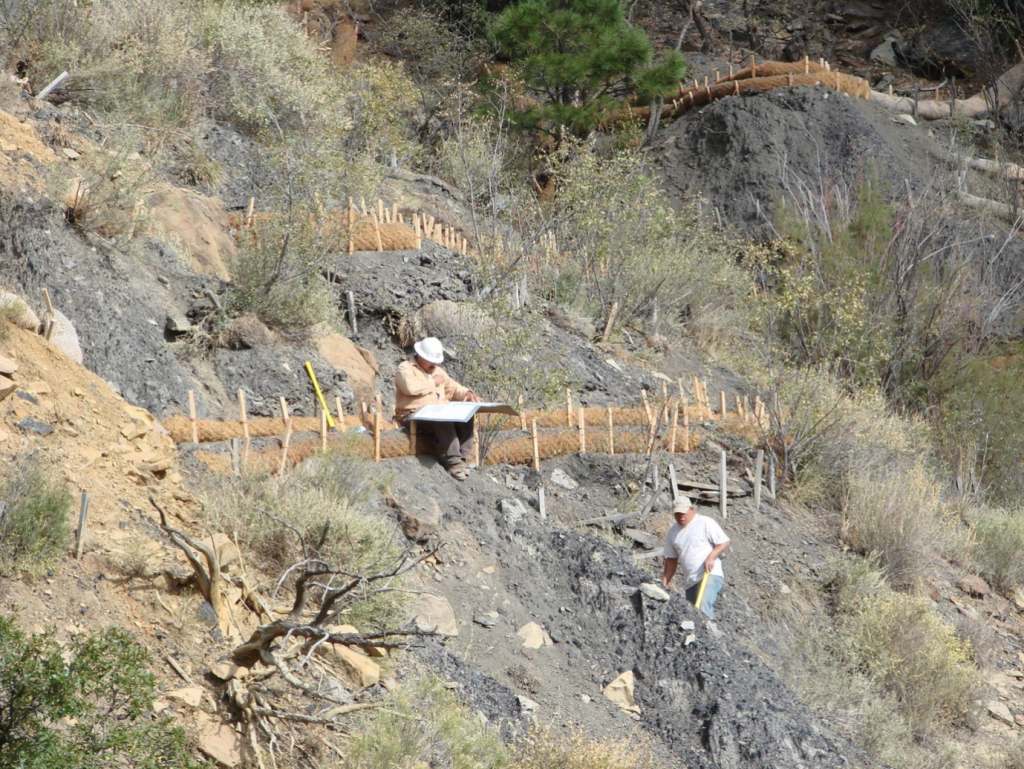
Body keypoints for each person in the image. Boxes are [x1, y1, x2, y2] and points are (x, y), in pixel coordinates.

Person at [395, 337, 481, 480]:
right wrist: (432, 382)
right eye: (431, 360)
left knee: (466, 415)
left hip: (438, 413)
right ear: (420, 356)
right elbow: (410, 388)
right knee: (442, 418)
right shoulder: (405, 368)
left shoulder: (438, 371)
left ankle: (463, 458)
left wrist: (468, 393)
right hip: (412, 415)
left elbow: (453, 388)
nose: (434, 364)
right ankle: (453, 461)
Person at [661, 496, 731, 620]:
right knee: (692, 616)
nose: (680, 517)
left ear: (691, 509)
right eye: (677, 514)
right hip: (690, 582)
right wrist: (664, 583)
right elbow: (671, 560)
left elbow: (724, 542)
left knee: (702, 607)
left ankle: (708, 637)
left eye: (683, 513)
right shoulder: (673, 532)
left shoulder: (704, 523)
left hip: (709, 574)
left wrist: (711, 557)